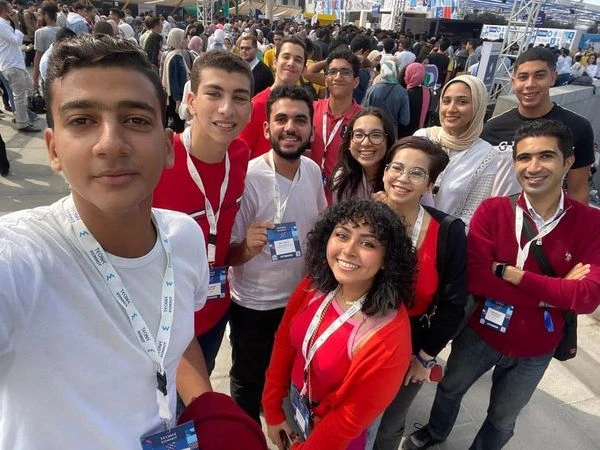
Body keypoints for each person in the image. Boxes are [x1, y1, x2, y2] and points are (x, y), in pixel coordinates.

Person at [0, 34, 212, 450]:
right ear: (53, 149)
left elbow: (176, 337)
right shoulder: (19, 259)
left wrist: (211, 408)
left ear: (168, 147)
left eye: (136, 120)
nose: (111, 143)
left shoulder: (185, 237)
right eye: (82, 121)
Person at [403, 119, 600, 450]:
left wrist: (513, 275)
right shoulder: (493, 211)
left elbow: (587, 298)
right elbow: (479, 279)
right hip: (481, 332)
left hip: (537, 346)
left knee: (503, 418)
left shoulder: (591, 222)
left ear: (567, 162)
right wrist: (554, 293)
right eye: (524, 157)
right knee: (450, 388)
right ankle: (435, 432)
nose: (533, 167)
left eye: (546, 156)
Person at [262, 198, 416, 450]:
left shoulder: (388, 336)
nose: (348, 250)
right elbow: (284, 343)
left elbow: (347, 421)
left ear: (387, 259)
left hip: (336, 435)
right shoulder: (314, 285)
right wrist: (272, 409)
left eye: (367, 243)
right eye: (342, 235)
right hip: (295, 401)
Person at [226, 85, 327, 425]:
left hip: (300, 300)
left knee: (284, 375)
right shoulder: (249, 178)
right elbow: (229, 255)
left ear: (311, 129)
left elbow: (319, 228)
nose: (290, 127)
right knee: (248, 380)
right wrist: (247, 247)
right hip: (255, 304)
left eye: (300, 120)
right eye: (281, 119)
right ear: (267, 128)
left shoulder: (311, 171)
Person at [153, 50, 252, 384]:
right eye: (214, 94)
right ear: (191, 101)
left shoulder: (240, 155)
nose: (227, 109)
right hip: (160, 322)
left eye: (239, 97)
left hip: (213, 314)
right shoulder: (159, 160)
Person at [372, 136, 467, 450]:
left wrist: (425, 357)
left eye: (416, 173)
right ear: (385, 171)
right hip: (355, 332)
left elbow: (454, 303)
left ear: (430, 184)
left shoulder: (448, 231)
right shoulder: (362, 216)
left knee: (389, 425)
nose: (402, 178)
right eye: (396, 168)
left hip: (410, 343)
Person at [481, 47, 595, 205]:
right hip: (498, 216)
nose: (530, 84)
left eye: (539, 76)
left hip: (549, 217)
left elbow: (578, 190)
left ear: (553, 78)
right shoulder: (492, 128)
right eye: (523, 77)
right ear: (514, 82)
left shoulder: (578, 127)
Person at [414, 74, 502, 227]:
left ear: (478, 106)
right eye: (446, 101)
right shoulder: (423, 138)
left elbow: (471, 216)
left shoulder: (487, 155)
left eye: (462, 102)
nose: (451, 109)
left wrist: (435, 235)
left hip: (447, 237)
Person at [239, 36, 307, 159]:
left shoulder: (306, 107)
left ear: (304, 69)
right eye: (286, 57)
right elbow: (241, 153)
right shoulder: (256, 106)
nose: (291, 63)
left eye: (298, 60)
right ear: (275, 62)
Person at [310, 47, 363, 192]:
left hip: (344, 195)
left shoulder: (364, 119)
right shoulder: (310, 110)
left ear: (356, 81)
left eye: (345, 72)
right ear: (326, 80)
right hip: (309, 194)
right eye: (332, 72)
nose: (338, 77)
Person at [330, 107, 396, 204]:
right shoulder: (342, 178)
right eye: (358, 135)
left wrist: (395, 205)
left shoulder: (398, 180)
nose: (365, 143)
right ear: (349, 142)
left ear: (388, 141)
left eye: (376, 135)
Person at [0, 0, 40, 132]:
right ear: (4, 11)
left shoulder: (5, 24)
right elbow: (16, 40)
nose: (14, 11)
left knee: (29, 88)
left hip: (16, 64)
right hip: (12, 65)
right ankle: (22, 123)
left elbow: (11, 45)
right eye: (11, 8)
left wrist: (24, 48)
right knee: (19, 96)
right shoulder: (1, 25)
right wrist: (17, 23)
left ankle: (22, 115)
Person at [362, 59, 410, 139]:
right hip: (391, 132)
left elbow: (363, 112)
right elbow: (405, 120)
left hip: (372, 130)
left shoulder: (371, 90)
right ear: (396, 72)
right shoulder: (402, 92)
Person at [162, 28, 194, 133]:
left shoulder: (170, 54)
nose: (186, 40)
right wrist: (178, 101)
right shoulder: (176, 57)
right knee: (179, 126)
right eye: (184, 38)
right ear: (177, 39)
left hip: (172, 96)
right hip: (177, 97)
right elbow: (174, 81)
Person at [33, 0, 60, 90]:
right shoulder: (63, 30)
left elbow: (38, 57)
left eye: (39, 15)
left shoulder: (40, 33)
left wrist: (35, 78)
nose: (38, 18)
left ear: (46, 16)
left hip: (47, 73)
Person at [400, 62, 431, 138]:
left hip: (404, 134)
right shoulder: (427, 92)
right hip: (420, 133)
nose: (405, 77)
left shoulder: (405, 93)